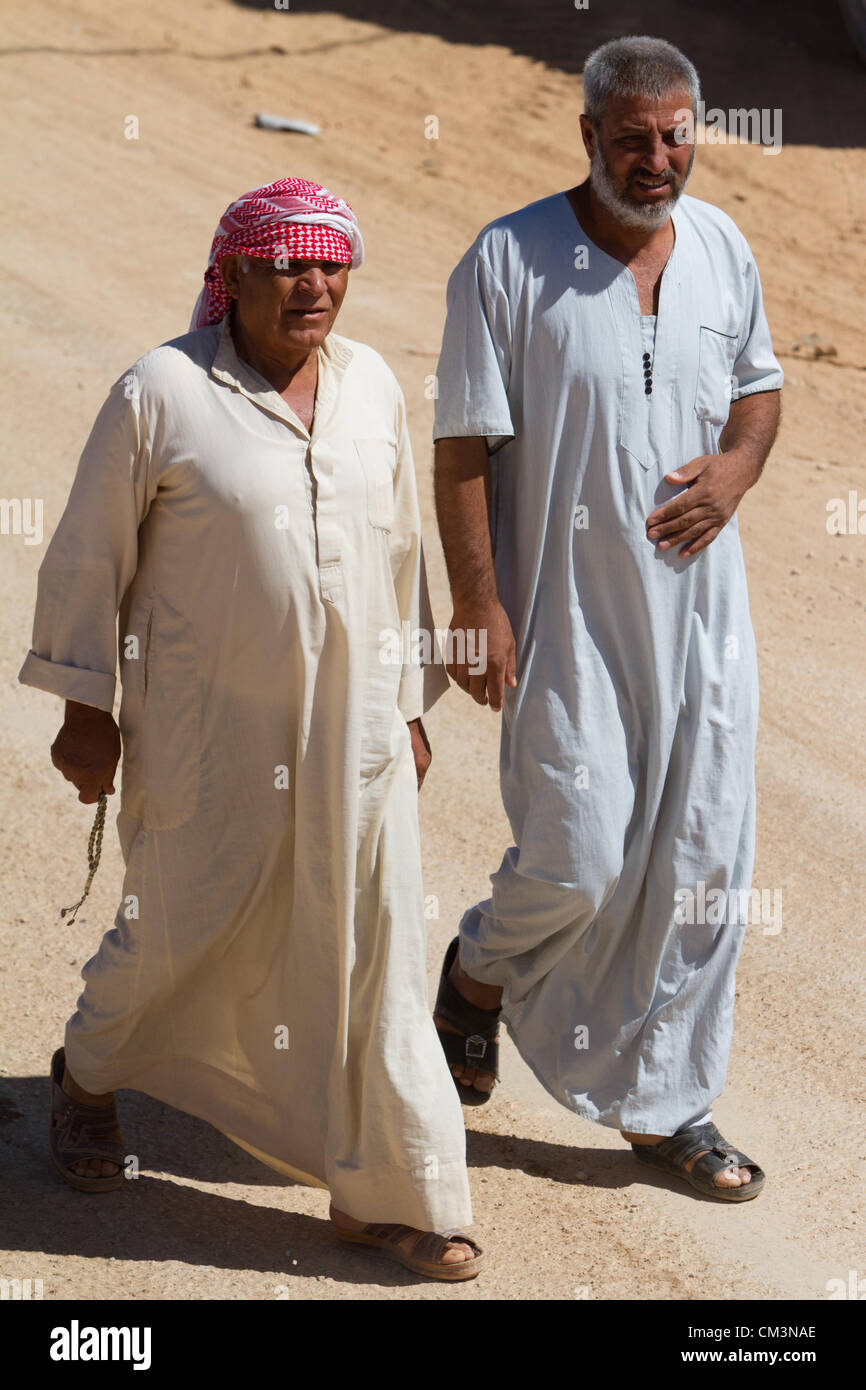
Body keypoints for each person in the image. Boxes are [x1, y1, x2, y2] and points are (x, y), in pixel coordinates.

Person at [20, 176, 482, 1279]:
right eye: (287, 265)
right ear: (233, 276)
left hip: (359, 732)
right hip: (205, 729)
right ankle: (88, 1074)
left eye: (330, 266)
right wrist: (88, 709)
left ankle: (392, 1190)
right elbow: (90, 552)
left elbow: (402, 553)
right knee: (182, 927)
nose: (312, 285)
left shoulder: (371, 386)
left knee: (373, 947)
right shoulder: (164, 391)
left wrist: (410, 704)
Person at [431, 37, 782, 1201]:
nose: (655, 158)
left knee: (697, 867)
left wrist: (735, 470)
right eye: (630, 137)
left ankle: (668, 1105)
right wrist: (477, 602)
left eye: (674, 133)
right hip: (565, 615)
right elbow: (464, 445)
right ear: (585, 137)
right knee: (578, 858)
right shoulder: (507, 260)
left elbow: (759, 387)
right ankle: (478, 970)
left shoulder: (722, 245)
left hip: (702, 624)